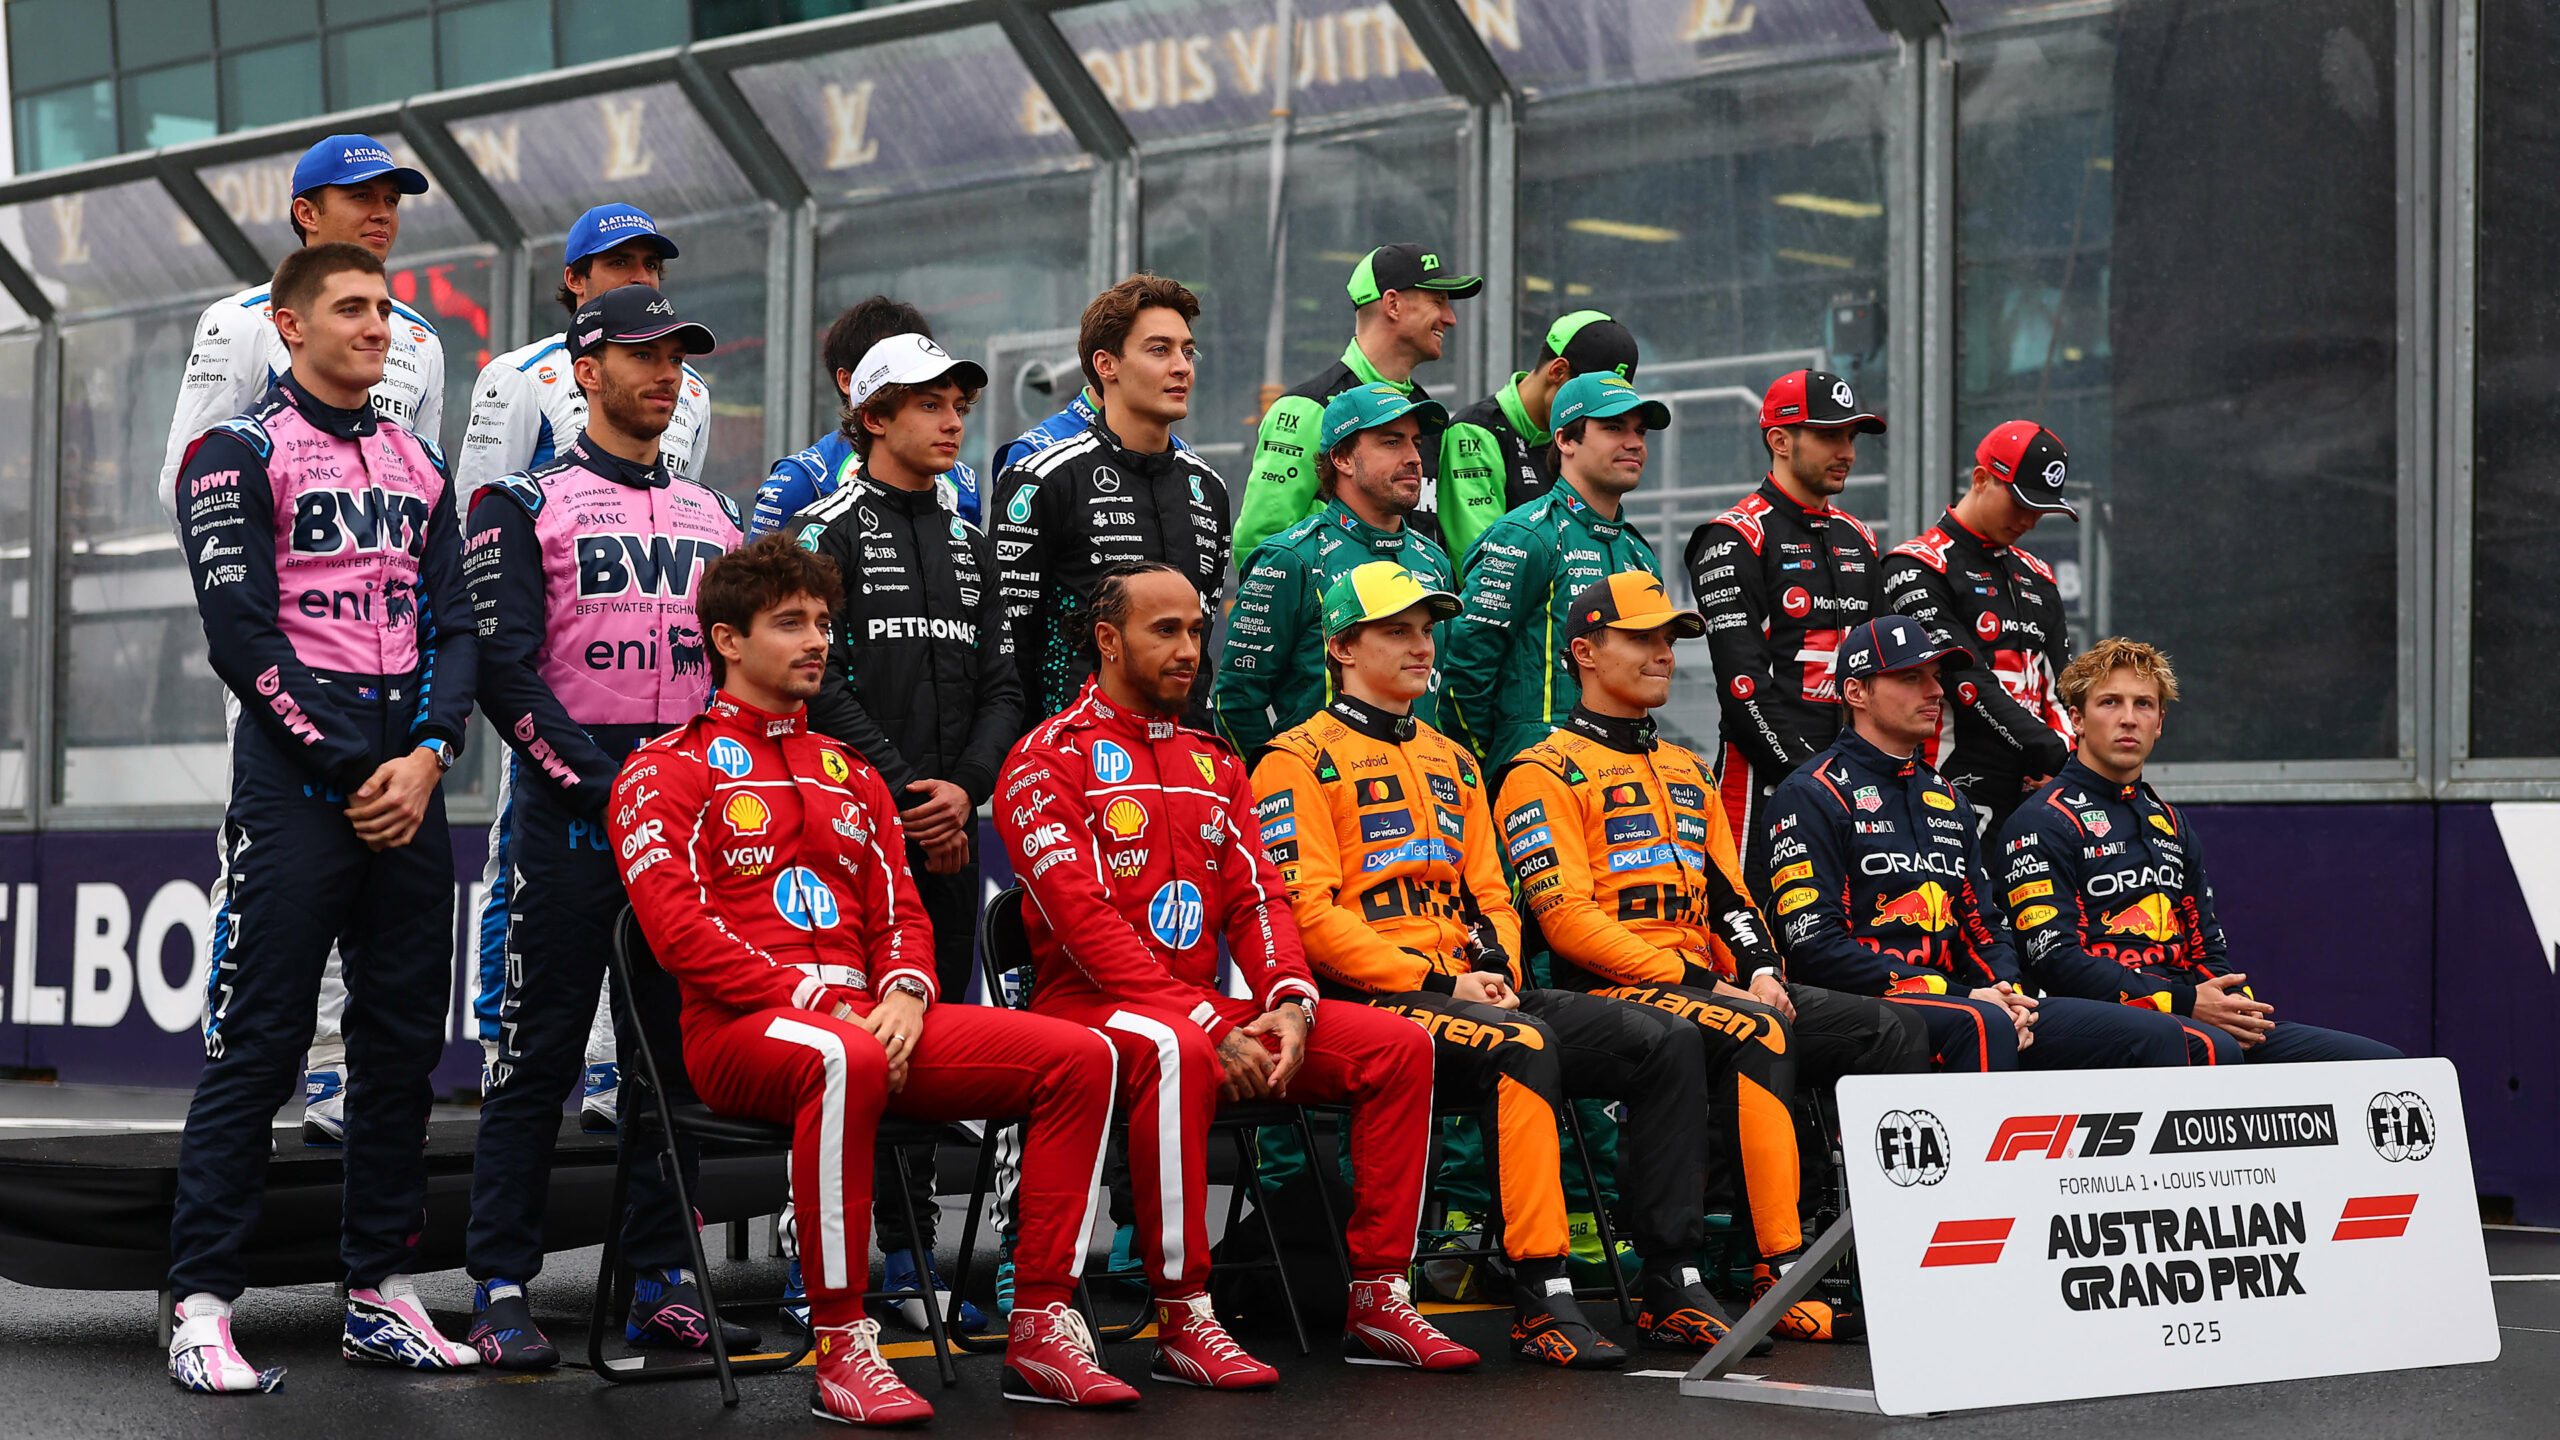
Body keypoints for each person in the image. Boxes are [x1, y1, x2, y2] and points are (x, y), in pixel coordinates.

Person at [612, 536, 1140, 1423]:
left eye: (823, 621)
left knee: (1081, 1056)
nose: (817, 640)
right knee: (841, 1059)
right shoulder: (662, 769)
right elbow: (677, 936)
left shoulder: (853, 775)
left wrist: (906, 990)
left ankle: (1044, 1324)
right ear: (727, 641)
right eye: (790, 624)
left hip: (873, 1023)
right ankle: (842, 1346)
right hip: (741, 1037)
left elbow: (905, 913)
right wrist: (822, 1003)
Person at [996, 561, 1477, 1388]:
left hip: (1204, 1013)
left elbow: (1261, 903)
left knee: (1399, 1046)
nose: (1190, 648)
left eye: (1196, 630)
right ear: (1107, 641)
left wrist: (1290, 999)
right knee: (1180, 1044)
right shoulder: (1046, 760)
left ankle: (1379, 1297)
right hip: (1091, 1014)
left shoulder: (1215, 761)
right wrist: (1211, 1020)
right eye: (1166, 631)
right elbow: (1085, 928)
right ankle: (1186, 1315)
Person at [1253, 562, 1746, 1367]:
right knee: (1524, 1046)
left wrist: (1494, 969)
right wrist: (1446, 985)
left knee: (1667, 1040)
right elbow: (1308, 916)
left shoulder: (1451, 758)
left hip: (1471, 993)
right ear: (1341, 647)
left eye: (1425, 628)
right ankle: (1543, 1296)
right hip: (1369, 1001)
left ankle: (1673, 1279)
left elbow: (1494, 895)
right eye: (1396, 631)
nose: (1421, 645)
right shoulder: (1294, 760)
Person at [165, 242, 478, 1392]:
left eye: (385, 310)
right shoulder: (233, 450)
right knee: (260, 1047)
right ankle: (201, 1304)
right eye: (351, 308)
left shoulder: (416, 457)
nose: (378, 327)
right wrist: (361, 767)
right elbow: (239, 635)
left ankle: (381, 1293)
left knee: (400, 1054)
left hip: (410, 783)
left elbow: (457, 623)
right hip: (303, 790)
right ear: (289, 328)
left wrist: (433, 752)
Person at [1496, 573, 1929, 1341]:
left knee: (1887, 1030)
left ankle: (1882, 1257)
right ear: (1584, 653)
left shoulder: (1689, 771)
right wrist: (1704, 982)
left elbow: (1730, 898)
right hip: (1608, 992)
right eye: (1642, 639)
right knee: (1747, 1031)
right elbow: (1566, 923)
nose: (1663, 654)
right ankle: (1735, 1273)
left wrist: (1761, 969)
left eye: (1670, 639)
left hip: (1713, 986)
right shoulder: (1542, 771)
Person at [459, 285, 748, 1369]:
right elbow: (505, 672)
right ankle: (497, 1283)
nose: (663, 372)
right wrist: (602, 792)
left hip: (687, 830)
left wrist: (697, 792)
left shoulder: (717, 517)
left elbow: (734, 679)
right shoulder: (521, 505)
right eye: (639, 352)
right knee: (535, 1060)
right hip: (573, 821)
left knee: (674, 1066)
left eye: (676, 354)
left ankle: (663, 1276)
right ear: (584, 370)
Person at [156, 133, 446, 1149]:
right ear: (303, 214)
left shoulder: (419, 340)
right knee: (275, 864)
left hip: (384, 656)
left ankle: (337, 1077)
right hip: (277, 642)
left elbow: (424, 489)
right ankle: (259, 1060)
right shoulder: (238, 322)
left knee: (377, 870)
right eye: (357, 196)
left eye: (392, 198)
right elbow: (188, 475)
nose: (380, 211)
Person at [792, 331, 1014, 1331]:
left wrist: (960, 794)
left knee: (930, 1049)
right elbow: (812, 679)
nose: (952, 420)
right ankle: (822, 1267)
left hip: (949, 834)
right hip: (843, 836)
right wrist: (898, 788)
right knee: (844, 1039)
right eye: (928, 403)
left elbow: (1005, 685)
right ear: (874, 417)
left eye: (959, 403)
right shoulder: (823, 530)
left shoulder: (974, 542)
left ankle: (910, 1259)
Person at [1760, 618, 2191, 1074]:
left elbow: (1985, 928)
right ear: (1856, 693)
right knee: (1983, 1024)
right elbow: (1814, 947)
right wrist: (1963, 996)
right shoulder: (1810, 793)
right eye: (1911, 678)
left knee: (2156, 1034)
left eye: (1935, 678)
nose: (1935, 692)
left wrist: (2006, 990)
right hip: (1859, 1007)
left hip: (1967, 1003)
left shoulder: (1947, 799)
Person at [1998, 638, 2402, 1065]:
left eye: (2144, 705)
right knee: (2213, 1047)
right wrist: (2185, 1002)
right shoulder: (2042, 820)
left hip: (2190, 1012)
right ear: (2077, 719)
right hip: (2097, 1022)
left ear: (2160, 722)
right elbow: (2056, 961)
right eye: (2111, 703)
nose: (2129, 719)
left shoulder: (2171, 823)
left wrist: (2235, 1008)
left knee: (2378, 1064)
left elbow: (2207, 948)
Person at [993, 274, 1230, 724]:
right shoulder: (1043, 478)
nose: (1182, 366)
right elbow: (1008, 648)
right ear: (1107, 365)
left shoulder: (1209, 488)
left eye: (1187, 350)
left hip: (1185, 758)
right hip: (1074, 760)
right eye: (1160, 350)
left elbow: (1202, 644)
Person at [1686, 370, 1885, 884]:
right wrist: (1811, 779)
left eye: (1850, 436)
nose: (1847, 451)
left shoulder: (1858, 536)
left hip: (1851, 778)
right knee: (1750, 934)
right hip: (1760, 778)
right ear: (1779, 440)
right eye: (1828, 435)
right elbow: (1742, 685)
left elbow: (1883, 670)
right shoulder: (1734, 537)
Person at [1214, 383, 1454, 755]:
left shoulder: (1433, 560)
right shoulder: (1290, 558)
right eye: (1392, 442)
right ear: (1341, 458)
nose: (1413, 458)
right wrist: (1280, 787)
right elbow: (1235, 701)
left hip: (1419, 794)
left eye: (1416, 443)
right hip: (1323, 800)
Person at [1445, 372, 1666, 766]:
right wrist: (1496, 765)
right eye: (1614, 427)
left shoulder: (1639, 554)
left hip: (1624, 771)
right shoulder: (1526, 535)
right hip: (1536, 773)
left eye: (1641, 431)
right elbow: (1465, 669)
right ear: (1564, 440)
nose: (1633, 442)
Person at [1881, 421, 2078, 832]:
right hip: (1948, 784)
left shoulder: (2038, 574)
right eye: (2021, 503)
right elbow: (1966, 680)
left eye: (2041, 508)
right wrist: (2053, 753)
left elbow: (2066, 684)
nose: (2030, 520)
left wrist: (2070, 757)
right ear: (1981, 479)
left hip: (2040, 789)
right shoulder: (1916, 565)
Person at [1232, 244, 1482, 560]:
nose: (1451, 318)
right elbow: (1259, 546)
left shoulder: (1427, 412)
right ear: (1393, 304)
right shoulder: (1308, 407)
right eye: (1438, 301)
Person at [455, 204, 712, 503]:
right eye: (620, 262)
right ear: (575, 279)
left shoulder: (691, 388)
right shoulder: (521, 375)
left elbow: (685, 510)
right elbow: (476, 511)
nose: (642, 278)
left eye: (651, 265)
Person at [752, 295, 982, 534]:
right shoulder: (802, 478)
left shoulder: (962, 481)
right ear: (847, 380)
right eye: (929, 405)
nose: (953, 424)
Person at [1438, 310, 1641, 560]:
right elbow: (1480, 560)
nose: (1592, 417)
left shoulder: (1575, 436)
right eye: (1585, 397)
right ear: (1557, 372)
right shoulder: (1477, 430)